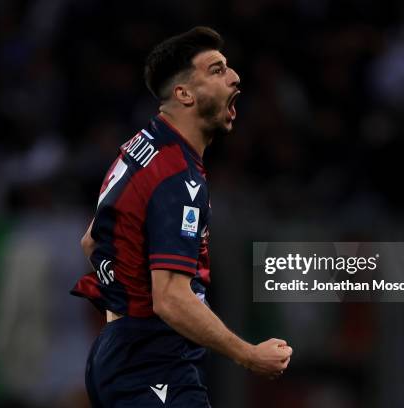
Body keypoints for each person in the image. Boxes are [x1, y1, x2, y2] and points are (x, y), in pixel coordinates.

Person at [71, 26, 292, 407]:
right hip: (153, 364)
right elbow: (171, 299)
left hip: (121, 355)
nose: (235, 76)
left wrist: (123, 314)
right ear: (184, 93)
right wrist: (249, 355)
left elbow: (92, 240)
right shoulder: (177, 177)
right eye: (217, 70)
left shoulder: (142, 147)